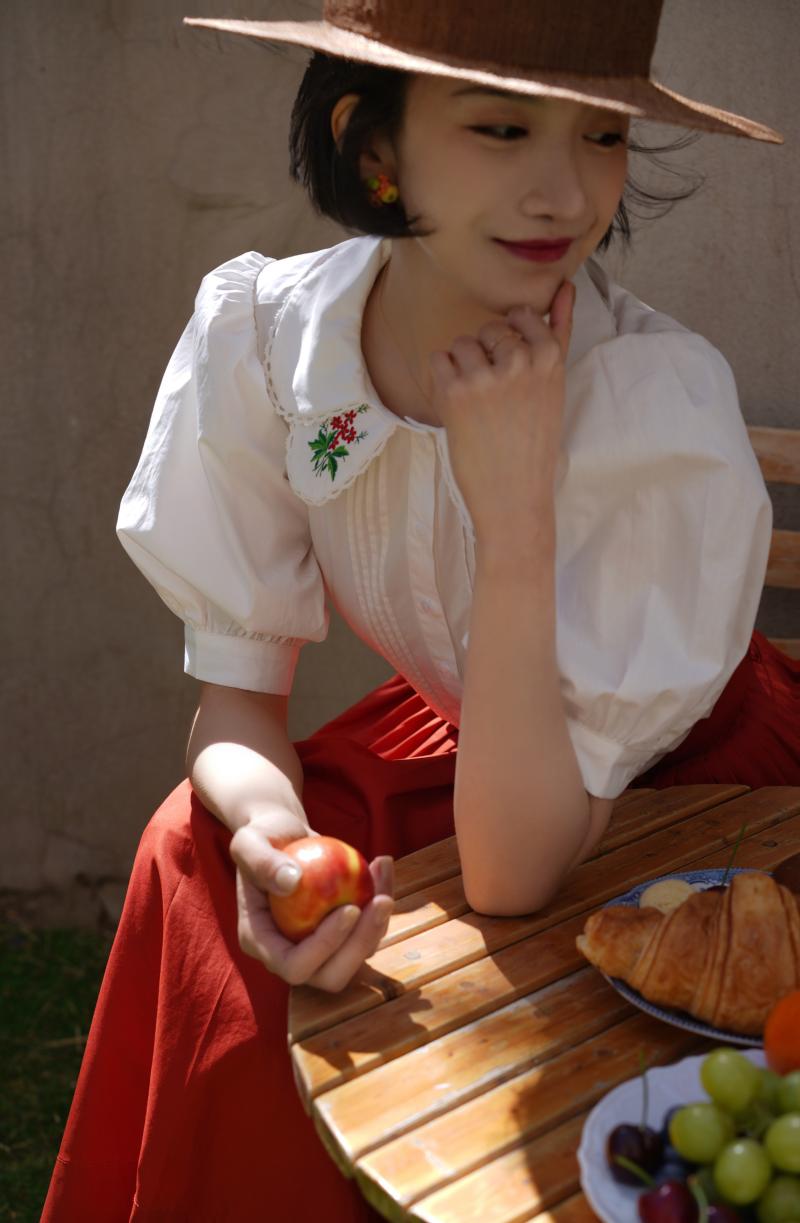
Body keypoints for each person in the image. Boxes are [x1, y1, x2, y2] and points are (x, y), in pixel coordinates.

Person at [43, 1, 798, 1219]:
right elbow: (236, 698)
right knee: (192, 850)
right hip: (469, 739)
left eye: (600, 135)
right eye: (501, 129)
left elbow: (511, 870)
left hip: (682, 787)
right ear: (373, 146)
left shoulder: (651, 405)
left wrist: (514, 519)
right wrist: (269, 840)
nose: (564, 191)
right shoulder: (267, 342)